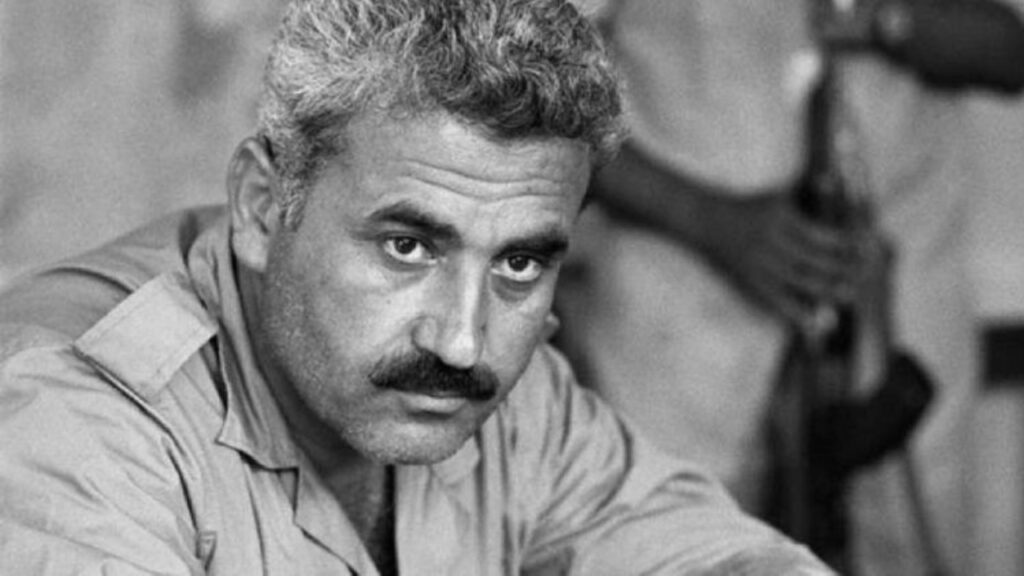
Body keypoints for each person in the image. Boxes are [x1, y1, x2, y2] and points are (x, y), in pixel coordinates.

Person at [0, 1, 835, 574]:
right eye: (406, 247)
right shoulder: (76, 419)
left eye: (519, 263)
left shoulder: (506, 398)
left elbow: (711, 552)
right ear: (261, 206)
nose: (463, 341)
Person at [557, 0, 1024, 574]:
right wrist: (711, 221)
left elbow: (1007, 50)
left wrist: (884, 19)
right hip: (679, 312)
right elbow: (538, 100)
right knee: (675, 549)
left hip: (903, 298)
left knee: (913, 547)